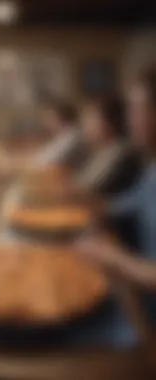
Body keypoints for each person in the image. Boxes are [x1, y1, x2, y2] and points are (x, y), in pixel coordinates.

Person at [77, 64, 156, 324]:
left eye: (136, 109)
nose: (128, 119)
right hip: (136, 296)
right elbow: (112, 206)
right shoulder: (152, 171)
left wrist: (110, 255)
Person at [75, 94, 142, 195]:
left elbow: (91, 189)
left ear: (110, 121)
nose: (85, 125)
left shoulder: (121, 152)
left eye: (91, 119)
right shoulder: (103, 150)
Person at [34, 100, 86, 169]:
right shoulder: (61, 135)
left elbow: (49, 161)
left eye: (50, 117)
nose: (46, 122)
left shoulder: (71, 137)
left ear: (61, 117)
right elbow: (42, 157)